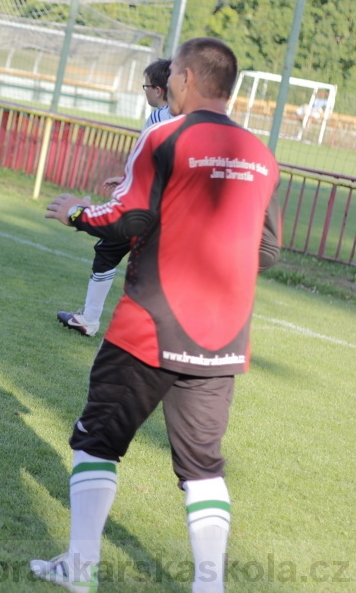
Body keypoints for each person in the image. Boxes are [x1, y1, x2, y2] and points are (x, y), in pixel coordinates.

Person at [34, 38, 280, 593]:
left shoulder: (164, 136)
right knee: (203, 469)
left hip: (149, 325)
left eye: (172, 76)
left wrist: (74, 212)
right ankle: (209, 586)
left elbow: (129, 218)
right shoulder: (261, 155)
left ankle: (80, 567)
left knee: (95, 442)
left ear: (188, 78)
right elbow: (266, 251)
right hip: (223, 338)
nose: (166, 84)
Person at [56, 58, 174, 336]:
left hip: (144, 206)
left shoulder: (159, 118)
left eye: (145, 86)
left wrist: (129, 184)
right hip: (172, 209)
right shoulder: (193, 121)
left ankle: (90, 319)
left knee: (108, 251)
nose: (144, 91)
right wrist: (126, 179)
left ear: (157, 89)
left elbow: (150, 162)